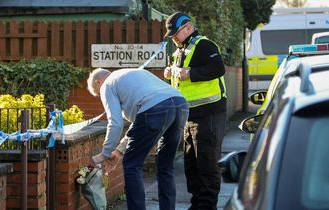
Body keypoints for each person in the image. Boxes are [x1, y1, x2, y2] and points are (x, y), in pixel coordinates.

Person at [87, 68, 189, 210]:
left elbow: (115, 123)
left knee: (132, 164)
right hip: (181, 104)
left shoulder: (107, 85)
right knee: (166, 166)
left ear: (99, 82)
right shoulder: (129, 75)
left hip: (156, 109)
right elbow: (139, 124)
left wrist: (104, 153)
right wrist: (119, 150)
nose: (101, 96)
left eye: (98, 94)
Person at [164, 12, 227, 210]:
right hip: (189, 116)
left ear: (189, 28)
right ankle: (197, 204)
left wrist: (189, 73)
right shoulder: (178, 52)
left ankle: (207, 206)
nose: (173, 37)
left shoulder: (204, 45)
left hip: (209, 114)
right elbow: (180, 83)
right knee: (191, 166)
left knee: (207, 164)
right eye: (171, 35)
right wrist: (169, 74)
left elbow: (218, 68)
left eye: (176, 33)